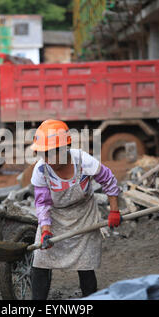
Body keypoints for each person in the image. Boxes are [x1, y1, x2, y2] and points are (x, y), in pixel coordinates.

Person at [29, 119, 121, 300]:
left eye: (49, 154)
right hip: (55, 218)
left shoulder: (83, 161)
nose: (45, 159)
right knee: (40, 262)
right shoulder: (41, 170)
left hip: (84, 215)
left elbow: (108, 181)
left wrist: (114, 211)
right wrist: (46, 230)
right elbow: (43, 204)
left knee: (85, 265)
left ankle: (90, 299)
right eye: (43, 154)